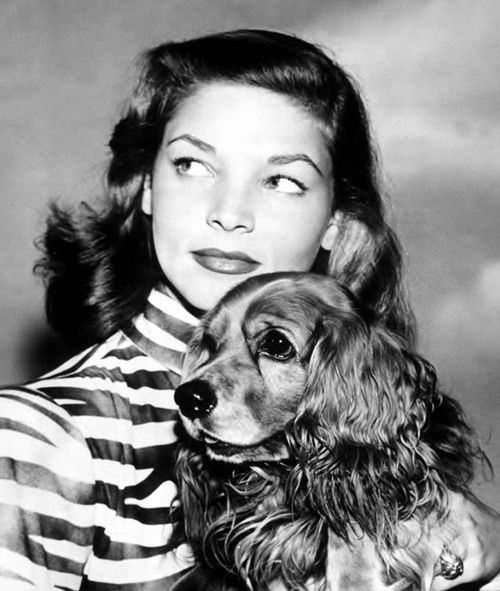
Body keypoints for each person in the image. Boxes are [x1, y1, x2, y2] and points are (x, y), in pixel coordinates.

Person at [0, 29, 498, 591]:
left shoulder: (350, 402)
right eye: (193, 164)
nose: (230, 213)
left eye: (282, 179)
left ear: (338, 220)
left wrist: (485, 539)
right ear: (145, 186)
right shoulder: (40, 438)